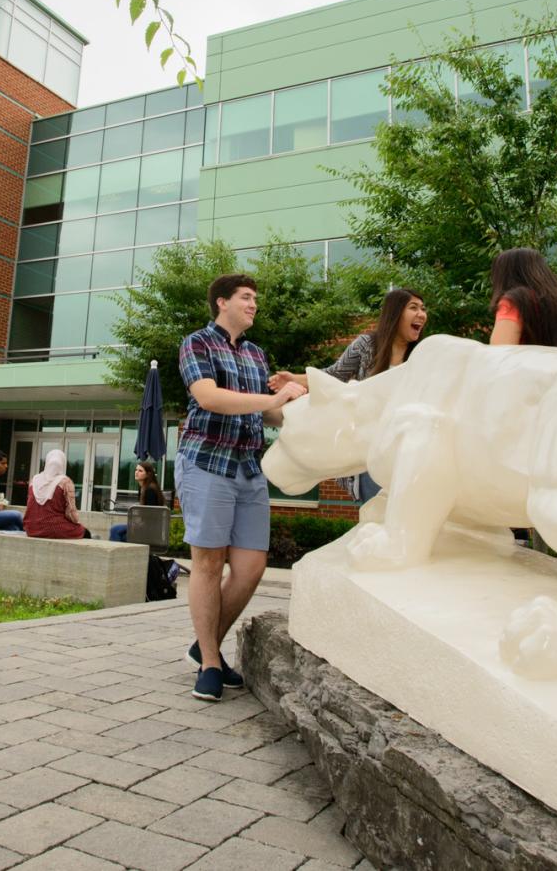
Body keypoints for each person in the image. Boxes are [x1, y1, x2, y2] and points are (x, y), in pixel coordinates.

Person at [178, 273, 305, 702]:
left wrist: (299, 404)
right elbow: (210, 398)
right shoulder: (196, 343)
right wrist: (271, 400)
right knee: (209, 564)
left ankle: (204, 642)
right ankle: (211, 664)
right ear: (221, 303)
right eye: (246, 297)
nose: (254, 304)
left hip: (249, 468)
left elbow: (264, 417)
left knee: (250, 568)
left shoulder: (255, 354)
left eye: (255, 297)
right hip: (207, 463)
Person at [269, 287, 427, 501]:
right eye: (413, 307)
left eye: (423, 309)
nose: (421, 314)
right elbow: (335, 375)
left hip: (408, 455)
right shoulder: (366, 346)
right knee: (377, 520)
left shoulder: (420, 358)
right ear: (395, 312)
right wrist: (295, 379)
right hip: (369, 457)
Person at [24, 449, 92, 539]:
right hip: (54, 528)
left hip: (31, 528)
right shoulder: (65, 482)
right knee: (85, 532)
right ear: (63, 464)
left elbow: (30, 507)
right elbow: (71, 513)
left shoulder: (34, 480)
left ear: (47, 462)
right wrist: (77, 523)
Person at [109, 460, 166, 543]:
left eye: (140, 471)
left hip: (148, 531)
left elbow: (151, 514)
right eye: (136, 470)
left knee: (115, 531)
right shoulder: (143, 488)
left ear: (148, 474)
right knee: (115, 530)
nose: (136, 472)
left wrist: (136, 525)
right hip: (144, 527)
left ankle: (118, 554)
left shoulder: (150, 490)